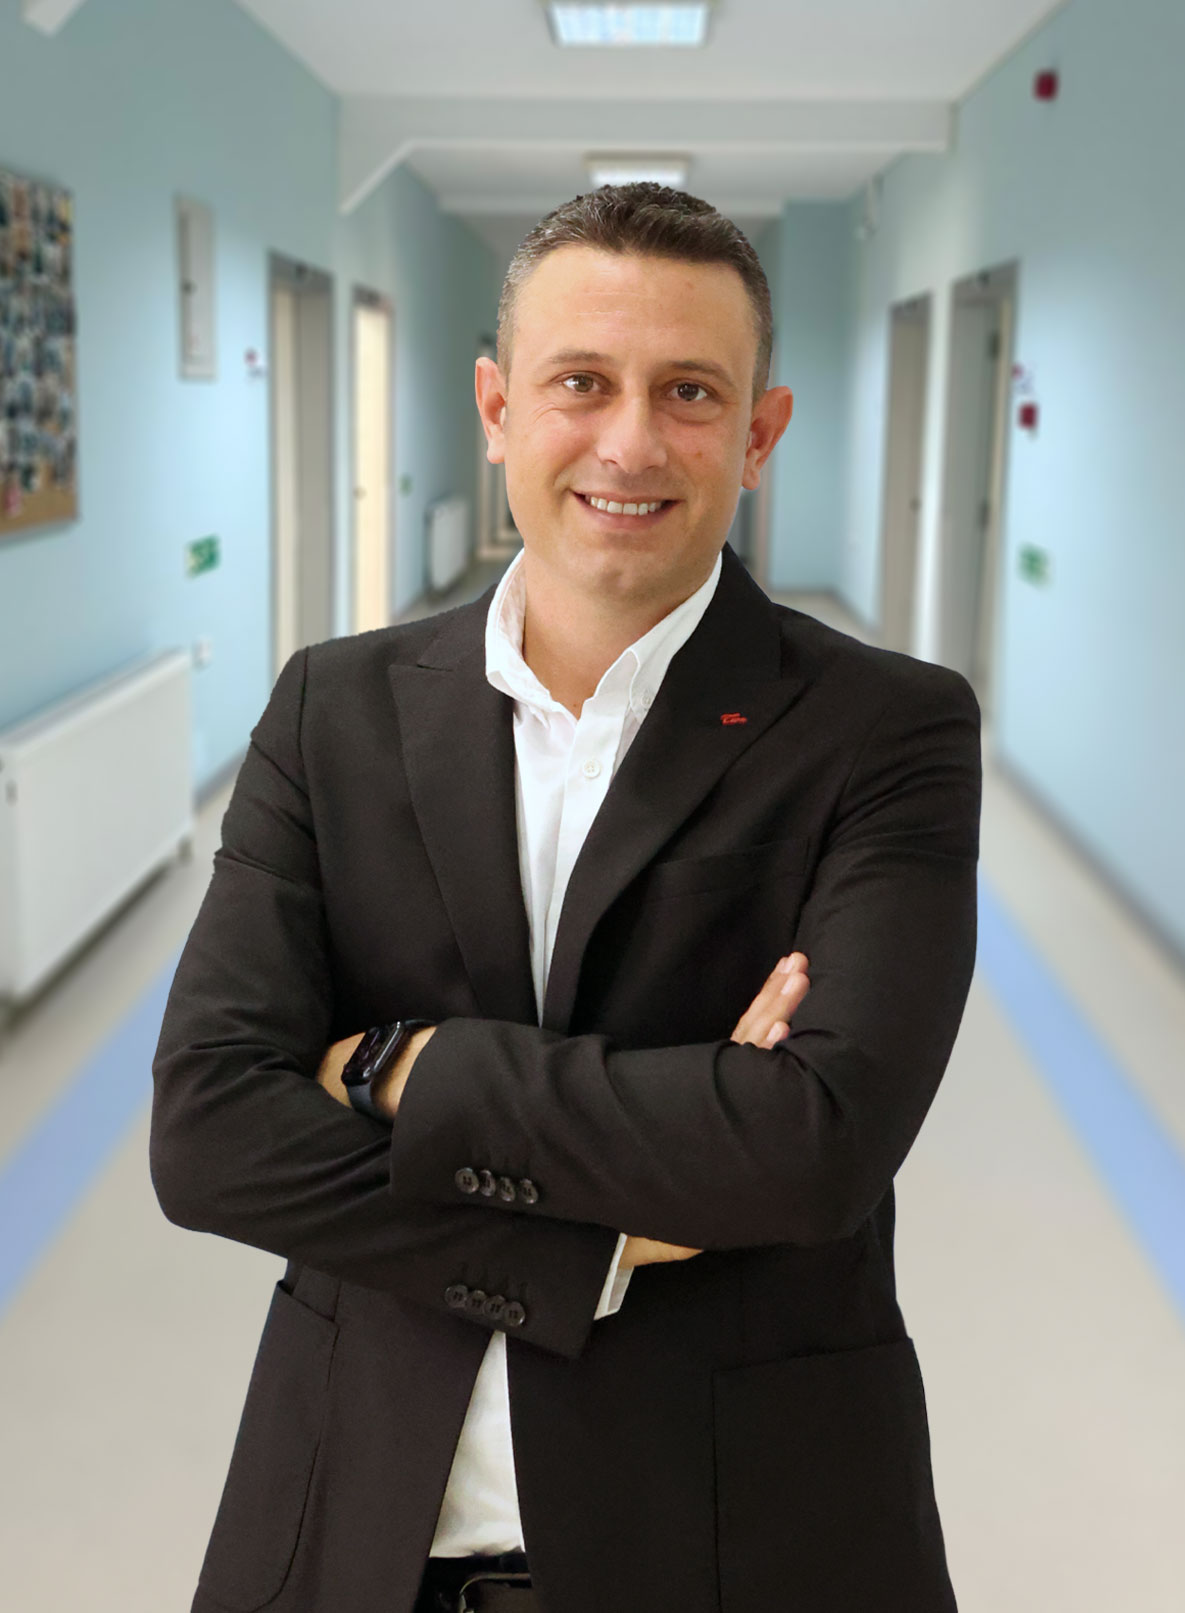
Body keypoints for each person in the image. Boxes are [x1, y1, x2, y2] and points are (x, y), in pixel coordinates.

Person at [151, 184, 981, 1613]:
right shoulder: (332, 711)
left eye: (689, 391)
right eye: (579, 382)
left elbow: (811, 1148)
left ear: (759, 434)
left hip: (741, 1541)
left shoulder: (882, 729)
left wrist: (401, 1067)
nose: (630, 442)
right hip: (359, 1532)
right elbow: (212, 1134)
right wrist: (606, 1226)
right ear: (496, 406)